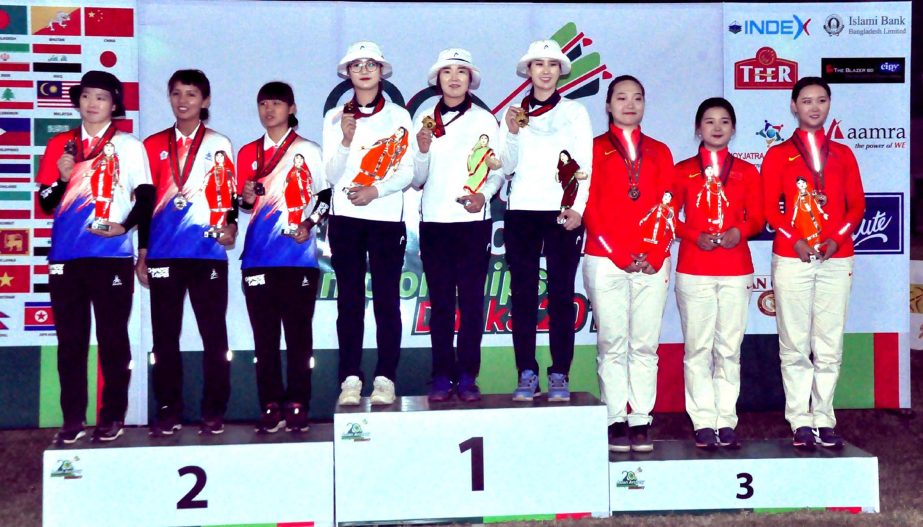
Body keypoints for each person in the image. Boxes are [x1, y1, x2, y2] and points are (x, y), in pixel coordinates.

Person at [37, 70, 153, 444]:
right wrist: (61, 178)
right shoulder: (60, 145)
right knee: (70, 340)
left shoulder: (129, 146)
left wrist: (124, 227)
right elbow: (45, 204)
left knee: (113, 337)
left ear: (114, 104)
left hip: (111, 256)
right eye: (86, 96)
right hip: (66, 257)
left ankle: (112, 415)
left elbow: (147, 197)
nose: (92, 104)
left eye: (101, 97)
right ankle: (73, 418)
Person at [762, 77, 865, 450]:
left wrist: (836, 239)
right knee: (794, 343)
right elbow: (769, 207)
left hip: (837, 257)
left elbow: (857, 206)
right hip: (793, 255)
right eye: (807, 101)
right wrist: (797, 240)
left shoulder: (844, 154)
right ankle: (799, 420)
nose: (815, 107)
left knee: (829, 343)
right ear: (794, 106)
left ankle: (824, 416)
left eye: (822, 100)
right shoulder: (777, 155)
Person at [582, 75, 675, 453]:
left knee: (644, 343)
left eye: (637, 97)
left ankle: (641, 420)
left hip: (653, 261)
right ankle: (614, 418)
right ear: (607, 105)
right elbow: (586, 204)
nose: (629, 104)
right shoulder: (591, 149)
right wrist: (616, 252)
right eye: (621, 98)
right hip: (606, 258)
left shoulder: (660, 151)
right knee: (612, 340)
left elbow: (669, 207)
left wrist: (656, 253)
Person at [141, 69, 236, 436]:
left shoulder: (219, 143)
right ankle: (168, 409)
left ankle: (214, 409)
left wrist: (231, 227)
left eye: (192, 94)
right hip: (164, 253)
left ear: (205, 101)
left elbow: (227, 198)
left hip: (207, 253)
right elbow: (145, 203)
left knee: (214, 336)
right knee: (164, 337)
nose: (183, 101)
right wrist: (143, 251)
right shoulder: (150, 145)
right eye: (177, 93)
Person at [498, 39, 593, 402]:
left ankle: (560, 373)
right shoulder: (512, 110)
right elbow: (505, 166)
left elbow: (584, 164)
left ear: (560, 71)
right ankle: (526, 371)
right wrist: (509, 131)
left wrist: (578, 209)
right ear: (528, 70)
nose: (546, 70)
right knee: (522, 295)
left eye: (552, 64)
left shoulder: (574, 112)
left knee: (560, 294)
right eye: (538, 64)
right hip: (521, 210)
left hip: (561, 211)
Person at [322, 41, 413, 406]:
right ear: (347, 73)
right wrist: (345, 139)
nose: (363, 70)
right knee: (350, 301)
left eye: (370, 64)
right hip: (345, 219)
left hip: (385, 219)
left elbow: (407, 170)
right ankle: (349, 377)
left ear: (381, 71)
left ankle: (386, 377)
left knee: (387, 301)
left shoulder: (398, 116)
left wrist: (376, 190)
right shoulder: (334, 117)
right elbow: (329, 174)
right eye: (356, 65)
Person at [238, 81, 331, 433]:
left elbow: (325, 197)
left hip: (298, 257)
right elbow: (241, 205)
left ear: (291, 109)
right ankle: (270, 405)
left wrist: (309, 224)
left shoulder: (308, 150)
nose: (269, 110)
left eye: (276, 104)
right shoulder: (247, 152)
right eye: (263, 104)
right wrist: (245, 197)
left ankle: (298, 403)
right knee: (264, 339)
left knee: (298, 336)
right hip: (258, 259)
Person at [411, 48, 503, 402]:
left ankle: (467, 375)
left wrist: (485, 196)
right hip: (435, 222)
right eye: (447, 72)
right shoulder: (423, 116)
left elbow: (496, 171)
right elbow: (417, 179)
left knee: (471, 303)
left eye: (461, 72)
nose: (453, 78)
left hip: (472, 223)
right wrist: (420, 150)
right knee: (442, 305)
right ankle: (440, 375)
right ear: (437, 79)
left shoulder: (484, 119)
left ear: (470, 79)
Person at [672, 97, 764, 450]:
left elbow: (757, 217)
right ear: (698, 128)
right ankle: (702, 420)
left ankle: (725, 419)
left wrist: (739, 231)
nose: (716, 127)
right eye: (709, 121)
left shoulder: (746, 171)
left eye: (724, 121)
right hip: (694, 268)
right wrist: (695, 235)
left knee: (728, 348)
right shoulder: (682, 171)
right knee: (697, 348)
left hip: (735, 268)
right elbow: (668, 216)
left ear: (733, 128)